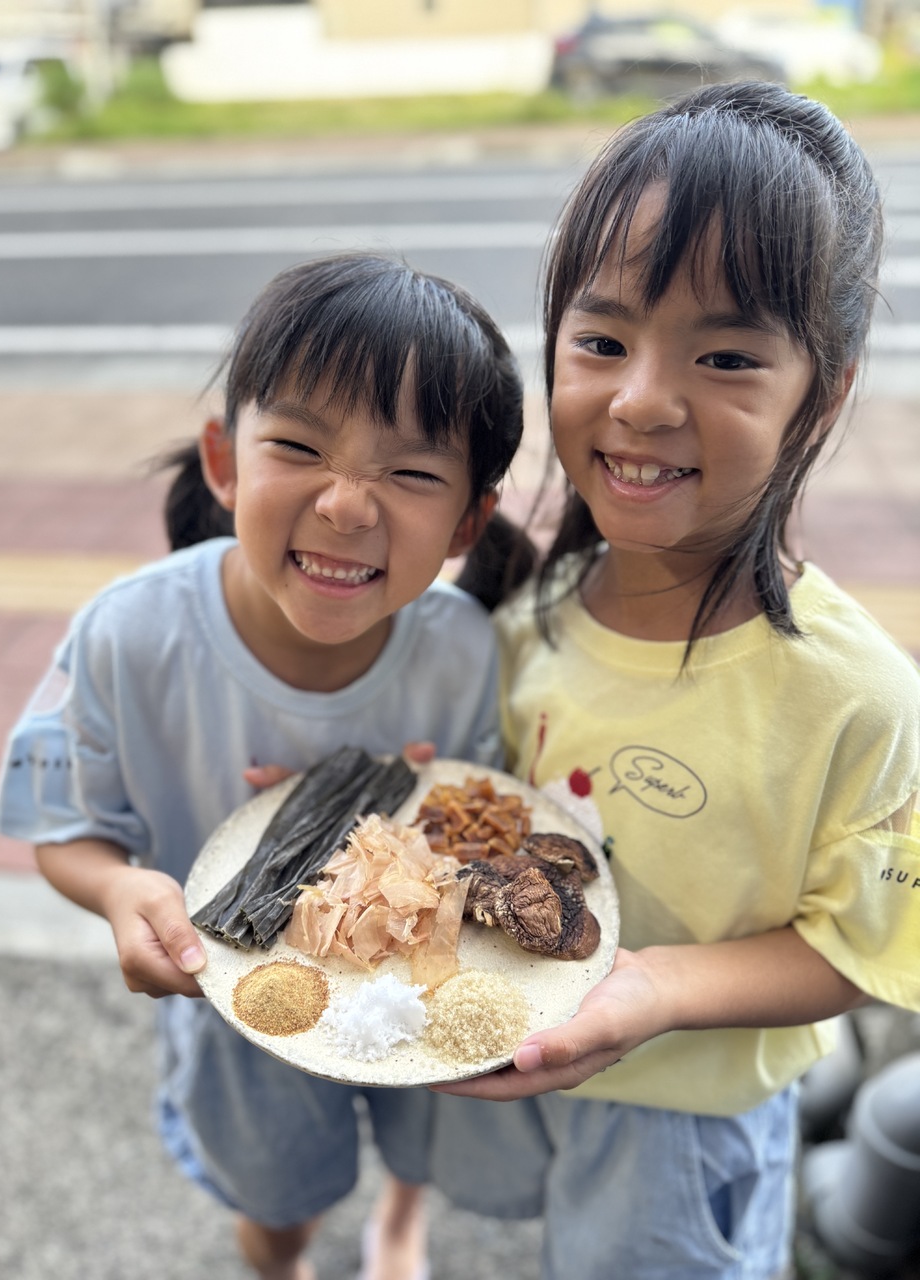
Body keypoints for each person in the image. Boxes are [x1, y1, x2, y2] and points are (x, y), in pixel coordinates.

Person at [430, 81, 920, 1279]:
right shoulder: (531, 611)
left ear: (827, 390)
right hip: (523, 1053)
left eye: (726, 354)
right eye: (601, 340)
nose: (642, 399)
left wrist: (654, 985)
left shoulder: (851, 692)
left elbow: (869, 941)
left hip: (688, 1121)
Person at [0, 252, 529, 1280]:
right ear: (224, 461)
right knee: (275, 1192)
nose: (346, 504)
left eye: (411, 472)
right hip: (238, 1014)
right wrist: (119, 886)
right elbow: (61, 819)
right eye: (299, 446)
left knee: (423, 1135)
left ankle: (400, 1219)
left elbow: (480, 820)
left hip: (403, 986)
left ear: (467, 521)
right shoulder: (130, 635)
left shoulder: (464, 648)